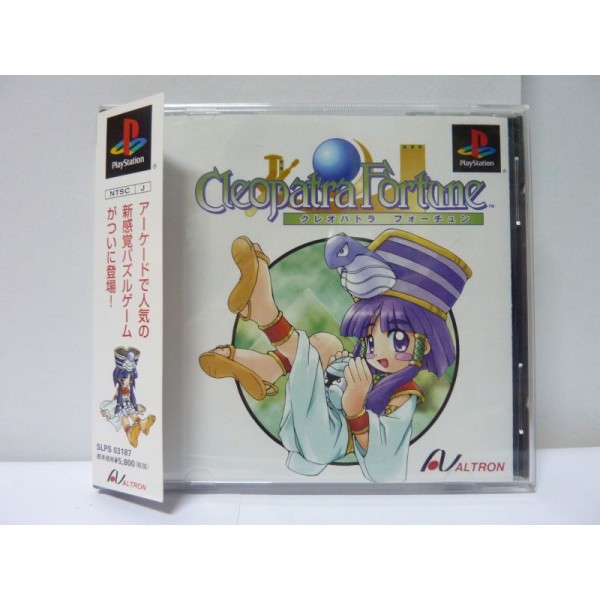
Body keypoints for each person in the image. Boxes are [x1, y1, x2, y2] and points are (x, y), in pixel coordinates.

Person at [199, 230, 471, 482]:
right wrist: (337, 370)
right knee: (325, 343)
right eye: (370, 339)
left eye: (398, 339)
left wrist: (355, 409)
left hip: (325, 441)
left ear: (426, 344)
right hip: (319, 418)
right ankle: (266, 368)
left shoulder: (403, 394)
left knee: (311, 355)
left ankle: (264, 313)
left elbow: (385, 466)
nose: (378, 351)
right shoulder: (364, 365)